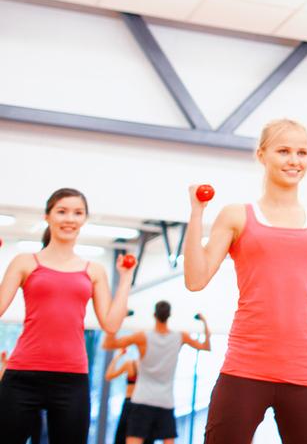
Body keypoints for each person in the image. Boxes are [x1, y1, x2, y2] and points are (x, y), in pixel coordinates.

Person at [183, 119, 307, 444]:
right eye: (283, 151)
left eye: (302, 152)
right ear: (262, 155)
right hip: (245, 365)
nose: (294, 160)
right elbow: (195, 279)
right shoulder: (237, 215)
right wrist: (196, 213)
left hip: (305, 368)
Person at [0, 187, 135, 443]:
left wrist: (126, 279)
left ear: (84, 219)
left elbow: (111, 323)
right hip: (23, 374)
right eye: (62, 212)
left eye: (77, 213)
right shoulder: (25, 262)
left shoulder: (94, 270)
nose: (69, 219)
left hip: (72, 379)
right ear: (47, 216)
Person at [102, 301, 211, 444]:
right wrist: (204, 322)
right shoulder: (180, 337)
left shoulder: (142, 337)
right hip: (164, 401)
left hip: (142, 400)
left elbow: (108, 344)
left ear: (154, 315)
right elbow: (206, 346)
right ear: (169, 315)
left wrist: (121, 317)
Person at [105, 347, 140, 444]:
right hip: (136, 405)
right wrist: (118, 356)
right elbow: (109, 376)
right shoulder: (132, 364)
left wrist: (118, 356)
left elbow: (109, 375)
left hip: (134, 405)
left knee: (123, 437)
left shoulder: (132, 364)